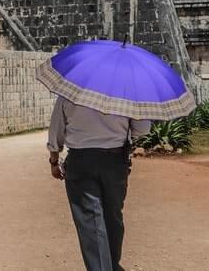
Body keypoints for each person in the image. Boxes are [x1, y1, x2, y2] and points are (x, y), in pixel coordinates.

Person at [48, 96, 151, 271]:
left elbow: (56, 128)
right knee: (113, 217)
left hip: (80, 161)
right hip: (115, 160)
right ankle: (110, 265)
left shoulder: (71, 90)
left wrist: (54, 160)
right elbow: (142, 129)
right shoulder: (129, 91)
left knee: (90, 220)